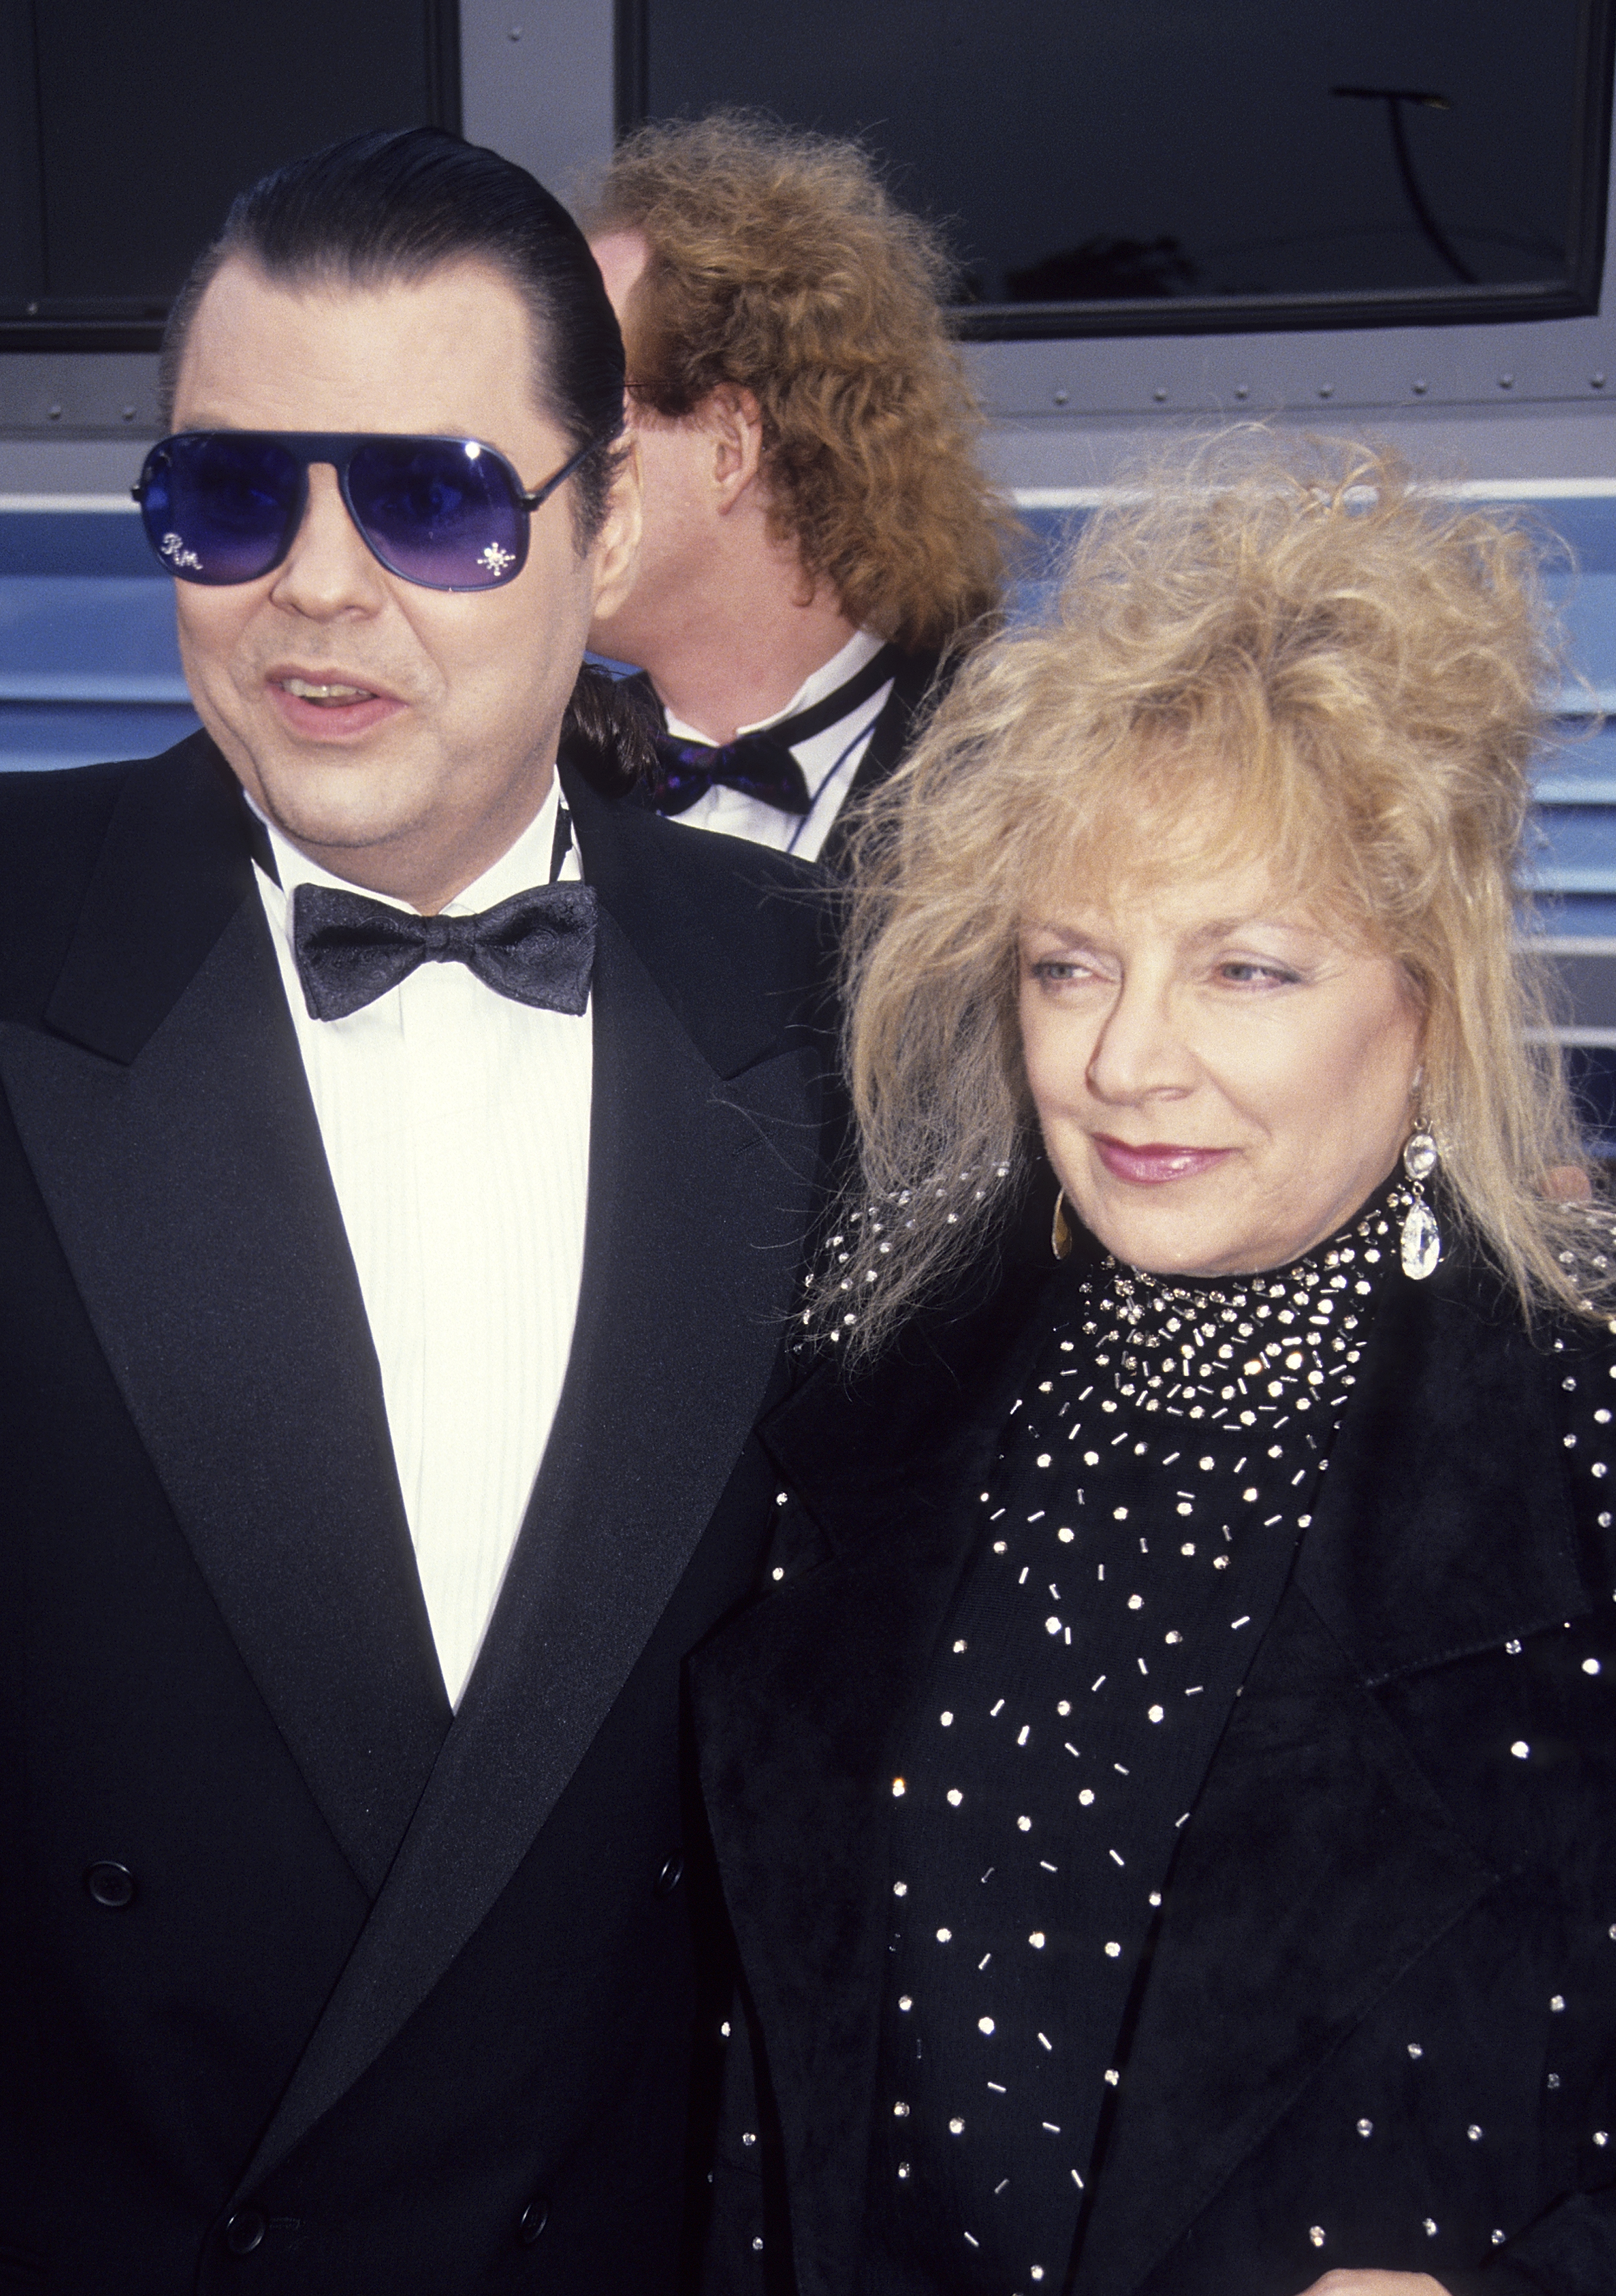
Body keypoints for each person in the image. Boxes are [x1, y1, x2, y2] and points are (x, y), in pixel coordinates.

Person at [0, 128, 841, 2292]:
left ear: (614, 518)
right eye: (226, 495)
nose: (314, 583)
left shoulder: (849, 1006)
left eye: (433, 498)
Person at [688, 440, 1616, 2296]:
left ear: (1424, 999)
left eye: (1244, 971)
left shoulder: (1576, 1457)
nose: (1124, 1061)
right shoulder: (862, 1375)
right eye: (1067, 964)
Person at [583, 113, 1014, 868]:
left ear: (726, 445)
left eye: (578, 405)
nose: (520, 458)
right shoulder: (525, 772)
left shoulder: (1021, 777)